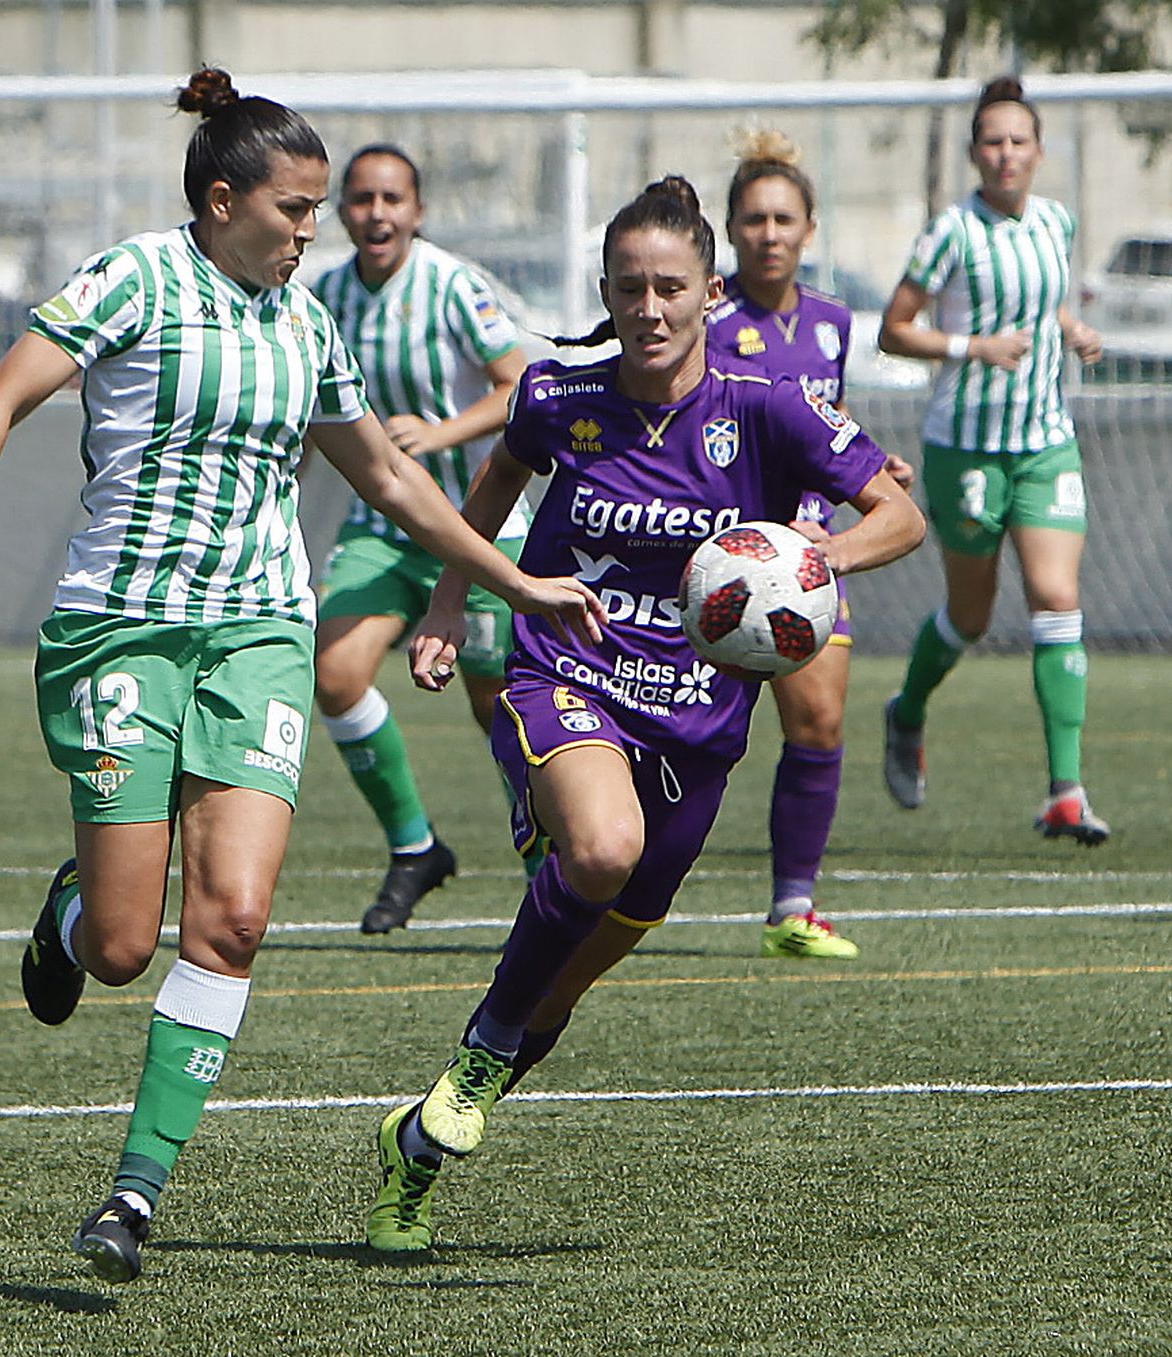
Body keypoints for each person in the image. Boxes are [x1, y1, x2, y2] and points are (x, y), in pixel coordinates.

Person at [0, 67, 603, 1286]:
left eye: (321, 210)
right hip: (120, 631)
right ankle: (70, 911)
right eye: (295, 210)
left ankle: (132, 1197)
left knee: (237, 919)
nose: (313, 231)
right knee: (119, 944)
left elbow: (387, 477)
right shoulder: (135, 280)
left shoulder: (307, 325)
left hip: (257, 632)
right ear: (222, 201)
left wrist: (503, 578)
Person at [362, 175, 925, 1252]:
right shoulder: (558, 397)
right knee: (604, 848)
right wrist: (447, 595)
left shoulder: (766, 408)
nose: (650, 309)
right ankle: (481, 1045)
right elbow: (488, 493)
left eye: (671, 287)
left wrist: (810, 558)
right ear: (607, 293)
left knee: (561, 989)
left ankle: (416, 1152)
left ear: (711, 292)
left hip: (698, 726)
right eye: (630, 289)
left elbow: (897, 516)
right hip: (564, 669)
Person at [878, 75, 1108, 844]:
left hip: (1046, 440)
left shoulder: (1057, 223)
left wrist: (1070, 327)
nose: (1006, 154)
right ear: (975, 154)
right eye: (992, 142)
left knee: (1055, 593)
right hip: (967, 447)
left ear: (1039, 152)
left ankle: (1066, 791)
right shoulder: (952, 232)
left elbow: (1041, 302)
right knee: (971, 616)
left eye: (1019, 141)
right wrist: (972, 347)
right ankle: (907, 711)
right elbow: (894, 328)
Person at [309, 144, 530, 934]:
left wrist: (440, 434)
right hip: (381, 525)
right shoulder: (322, 294)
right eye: (362, 199)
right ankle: (415, 846)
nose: (377, 213)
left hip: (476, 522)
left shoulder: (451, 285)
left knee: (494, 702)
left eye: (392, 199)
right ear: (341, 210)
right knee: (334, 674)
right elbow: (312, 412)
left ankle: (549, 868)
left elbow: (520, 387)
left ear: (418, 210)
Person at [708, 128, 915, 960]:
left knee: (821, 725)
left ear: (810, 229)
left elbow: (820, 433)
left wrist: (868, 465)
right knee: (695, 734)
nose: (769, 233)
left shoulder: (833, 322)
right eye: (754, 218)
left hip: (806, 559)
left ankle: (793, 906)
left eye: (784, 218)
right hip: (718, 556)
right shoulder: (709, 320)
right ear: (731, 229)